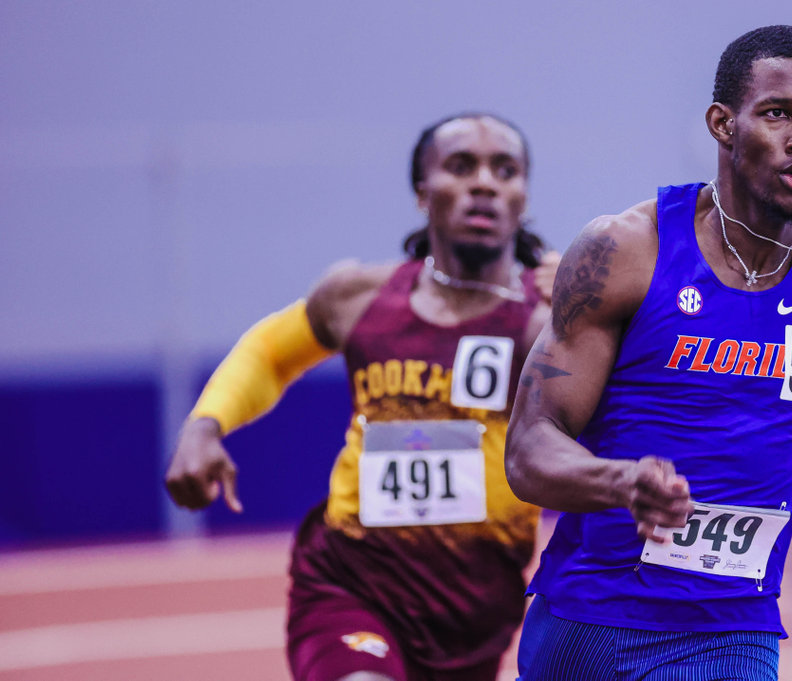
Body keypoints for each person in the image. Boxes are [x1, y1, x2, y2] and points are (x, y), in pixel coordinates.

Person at [502, 25, 792, 681]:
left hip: (735, 625)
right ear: (722, 124)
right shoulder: (626, 252)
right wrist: (620, 482)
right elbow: (528, 446)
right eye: (778, 114)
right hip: (592, 617)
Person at [164, 113, 557, 681]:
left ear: (522, 197)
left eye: (505, 170)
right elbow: (271, 353)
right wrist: (205, 426)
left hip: (474, 612)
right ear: (422, 192)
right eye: (460, 166)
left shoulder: (546, 322)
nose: (484, 184)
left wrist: (584, 304)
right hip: (350, 583)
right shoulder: (356, 297)